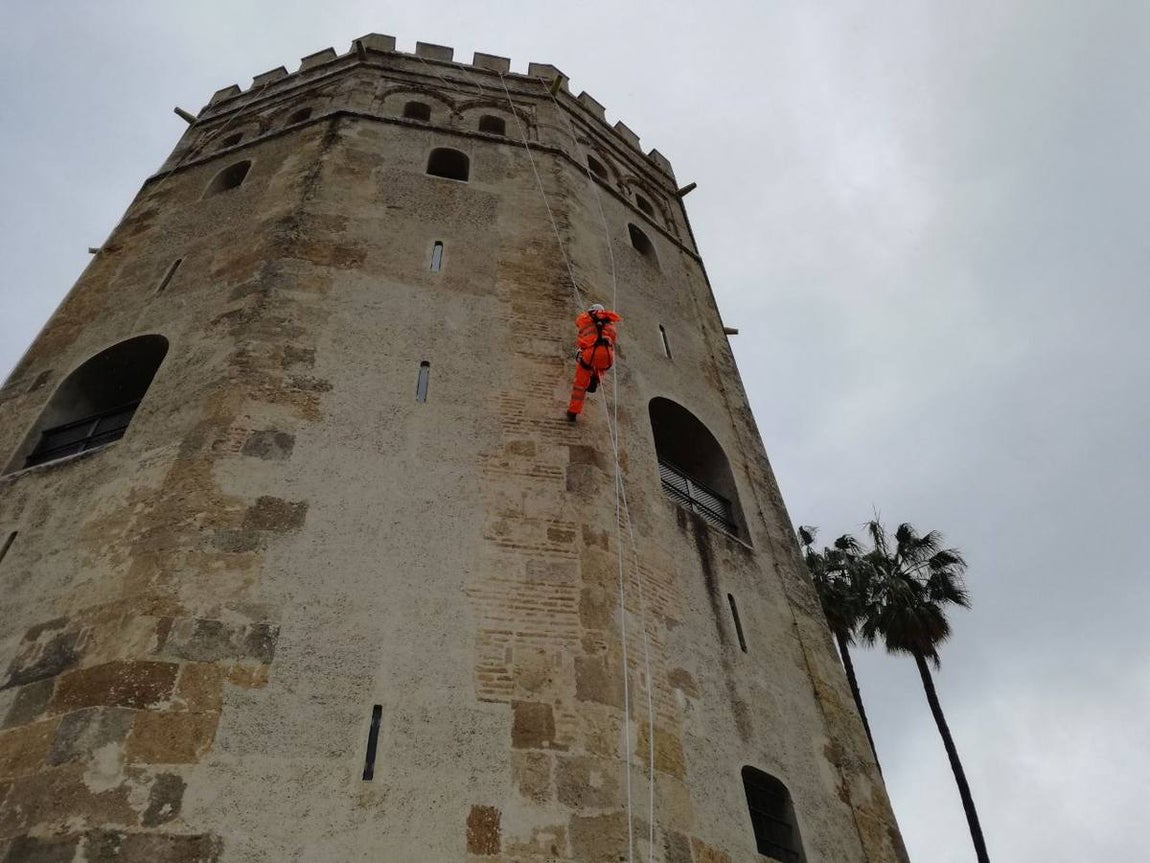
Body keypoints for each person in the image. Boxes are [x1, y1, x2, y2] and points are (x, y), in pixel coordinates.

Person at [566, 303, 621, 420]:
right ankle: (596, 378)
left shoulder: (585, 319)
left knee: (580, 384)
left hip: (590, 353)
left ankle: (573, 412)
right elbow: (613, 339)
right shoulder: (611, 325)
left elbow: (578, 322)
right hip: (607, 356)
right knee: (600, 365)